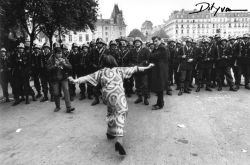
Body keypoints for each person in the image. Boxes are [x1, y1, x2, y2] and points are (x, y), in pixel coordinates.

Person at [69, 55, 154, 155]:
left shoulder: (100, 72)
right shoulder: (119, 70)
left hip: (107, 96)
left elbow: (87, 77)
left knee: (111, 111)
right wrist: (148, 67)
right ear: (114, 61)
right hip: (118, 94)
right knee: (121, 113)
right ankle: (119, 140)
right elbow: (135, 68)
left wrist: (75, 80)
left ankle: (110, 133)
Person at [47, 43, 75, 113]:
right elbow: (48, 69)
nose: (60, 55)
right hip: (55, 78)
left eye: (61, 53)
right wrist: (55, 65)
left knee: (66, 91)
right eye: (58, 54)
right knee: (56, 93)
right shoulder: (51, 59)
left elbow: (70, 67)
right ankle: (57, 107)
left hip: (64, 78)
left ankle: (69, 107)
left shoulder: (64, 58)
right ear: (55, 54)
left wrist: (64, 64)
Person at [128, 37, 150, 105]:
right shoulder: (132, 51)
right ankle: (139, 97)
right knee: (137, 85)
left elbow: (148, 59)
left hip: (143, 71)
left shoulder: (145, 50)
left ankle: (145, 98)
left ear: (141, 43)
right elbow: (129, 60)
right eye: (136, 42)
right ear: (134, 44)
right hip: (136, 70)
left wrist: (142, 64)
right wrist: (132, 65)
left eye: (138, 42)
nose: (137, 43)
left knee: (144, 85)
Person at [149, 36, 169, 110]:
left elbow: (153, 56)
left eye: (156, 41)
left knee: (160, 87)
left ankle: (160, 104)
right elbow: (151, 57)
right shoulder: (156, 48)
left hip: (161, 71)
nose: (155, 42)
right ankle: (159, 103)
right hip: (157, 70)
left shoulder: (162, 48)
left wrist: (152, 56)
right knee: (158, 87)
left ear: (160, 40)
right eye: (154, 41)